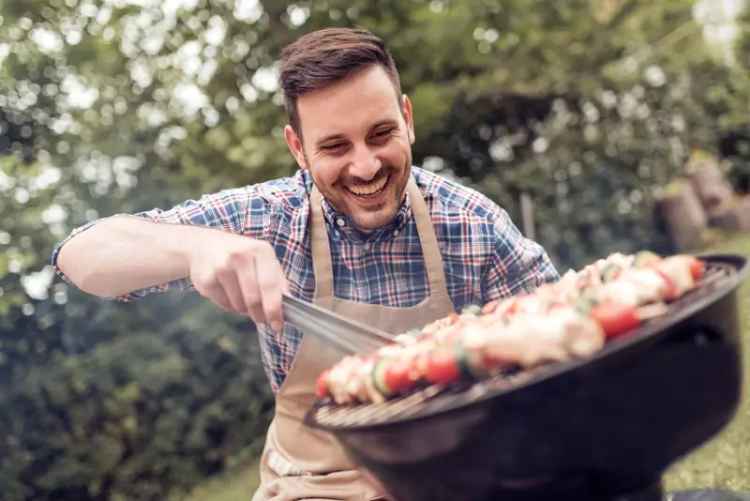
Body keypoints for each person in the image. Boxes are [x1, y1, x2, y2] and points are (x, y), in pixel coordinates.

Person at [53, 27, 559, 501]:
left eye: (381, 134)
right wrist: (194, 248)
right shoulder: (272, 220)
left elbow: (564, 343)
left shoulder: (471, 224)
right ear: (297, 148)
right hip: (313, 487)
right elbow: (81, 256)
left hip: (454, 478)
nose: (365, 166)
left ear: (407, 118)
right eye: (335, 146)